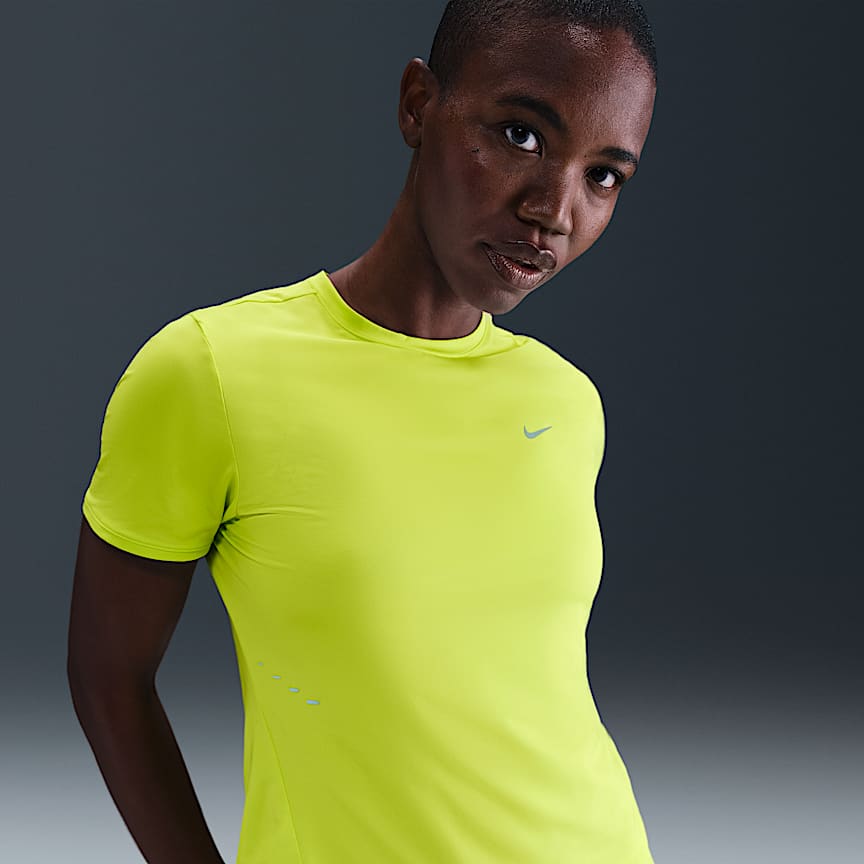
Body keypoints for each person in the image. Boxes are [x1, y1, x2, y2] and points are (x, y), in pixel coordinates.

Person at [68, 1, 658, 862]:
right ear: (418, 104)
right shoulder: (211, 373)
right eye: (522, 135)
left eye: (603, 176)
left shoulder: (565, 402)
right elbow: (108, 679)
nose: (555, 210)